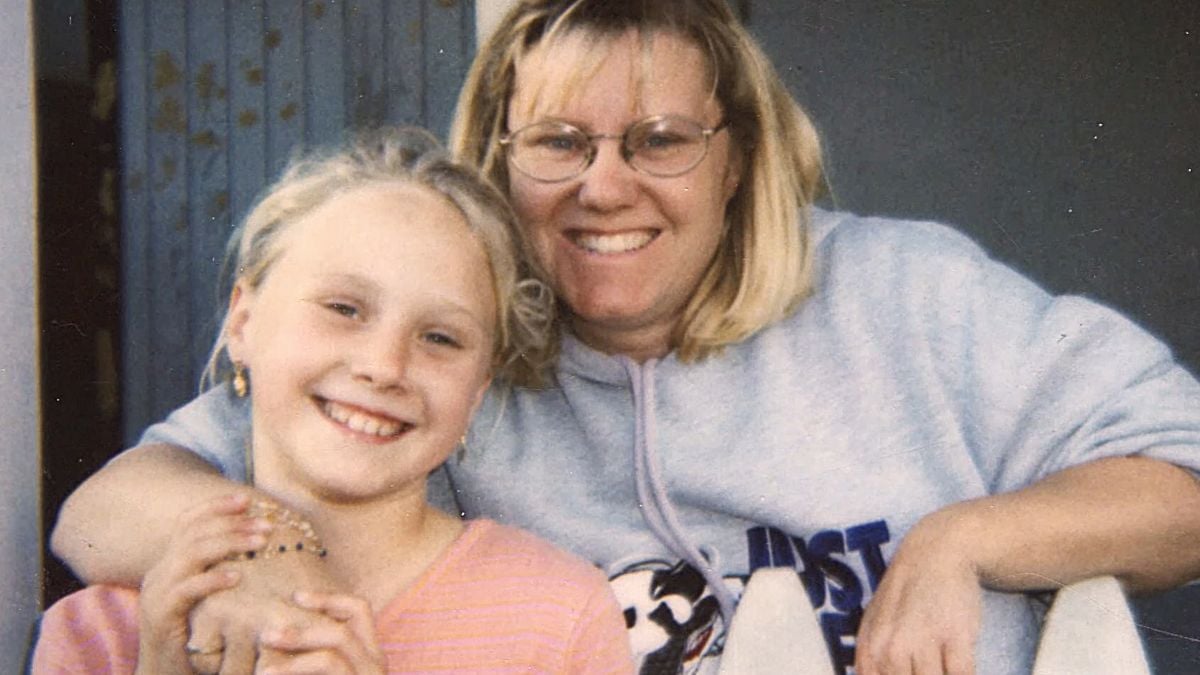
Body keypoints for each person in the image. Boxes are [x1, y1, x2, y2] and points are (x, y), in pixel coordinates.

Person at [51, 1, 1200, 673]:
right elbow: (108, 507)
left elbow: (1184, 477)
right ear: (501, 154)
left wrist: (962, 541)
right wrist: (272, 552)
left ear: (738, 157)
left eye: (658, 139)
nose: (607, 186)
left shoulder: (909, 291)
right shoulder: (445, 358)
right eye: (558, 140)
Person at [33, 128, 634, 673]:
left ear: (478, 389)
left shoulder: (558, 619)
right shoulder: (104, 630)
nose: (384, 366)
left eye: (440, 337)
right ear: (243, 321)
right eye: (343, 309)